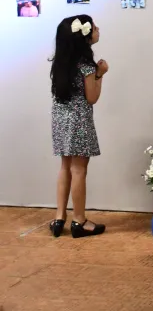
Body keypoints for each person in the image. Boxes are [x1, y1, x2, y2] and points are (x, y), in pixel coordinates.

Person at [49, 15, 108, 239]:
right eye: (94, 27)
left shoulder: (60, 62)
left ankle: (59, 217)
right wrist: (100, 74)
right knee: (79, 170)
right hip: (79, 121)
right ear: (84, 36)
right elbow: (92, 98)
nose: (98, 29)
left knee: (65, 166)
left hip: (60, 119)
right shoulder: (86, 66)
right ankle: (79, 220)